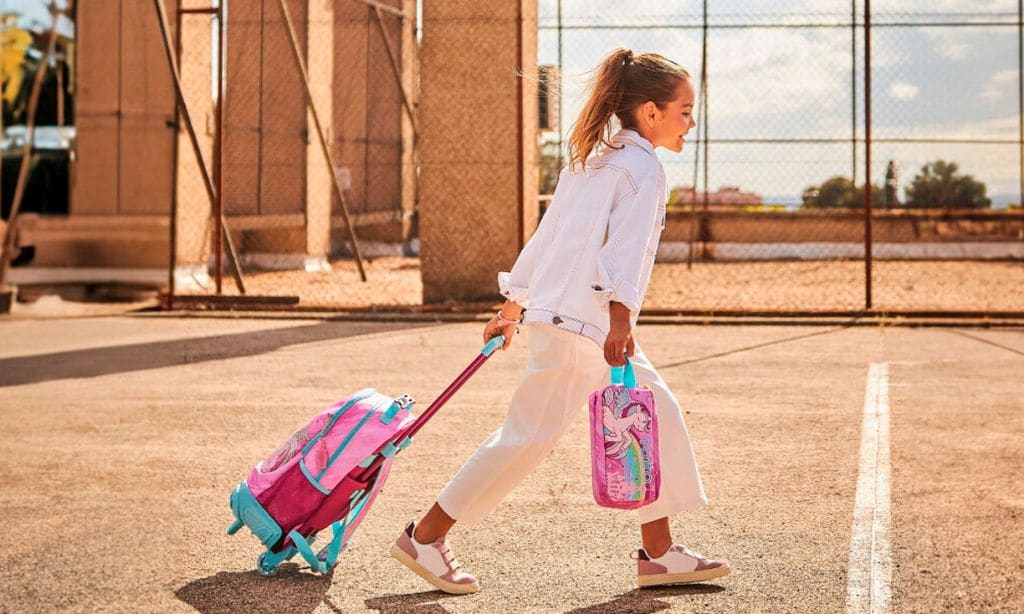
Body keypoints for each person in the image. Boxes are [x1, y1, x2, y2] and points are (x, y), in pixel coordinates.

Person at [390, 47, 731, 594]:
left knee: (655, 412)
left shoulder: (589, 160)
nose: (691, 122)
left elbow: (546, 239)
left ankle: (660, 552)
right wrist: (619, 322)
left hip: (578, 321)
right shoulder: (643, 169)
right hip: (589, 329)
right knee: (526, 437)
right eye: (684, 110)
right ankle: (425, 536)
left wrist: (512, 306)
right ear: (649, 112)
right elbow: (623, 254)